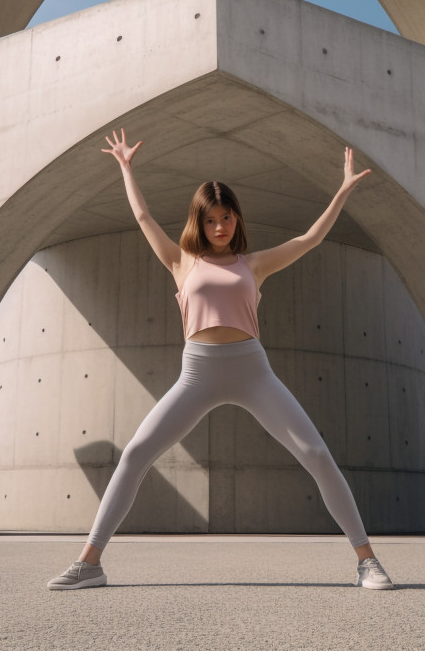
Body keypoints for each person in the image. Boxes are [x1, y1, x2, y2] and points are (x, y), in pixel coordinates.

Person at [47, 128, 394, 591]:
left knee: (316, 454)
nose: (219, 228)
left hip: (253, 371)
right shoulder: (181, 261)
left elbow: (309, 238)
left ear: (236, 219)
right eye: (210, 220)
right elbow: (143, 215)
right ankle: (90, 563)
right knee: (135, 454)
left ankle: (367, 561)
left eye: (226, 218)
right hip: (197, 373)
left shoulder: (253, 265)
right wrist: (126, 168)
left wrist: (342, 191)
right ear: (199, 221)